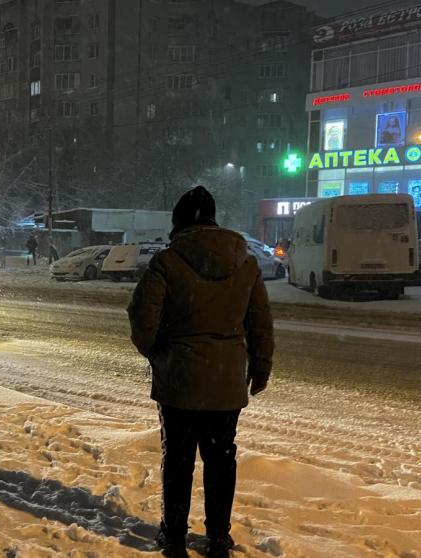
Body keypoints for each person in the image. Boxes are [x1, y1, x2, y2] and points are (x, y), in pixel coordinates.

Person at [127, 185, 274, 558]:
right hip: (226, 380)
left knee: (177, 459)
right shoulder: (246, 263)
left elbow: (142, 321)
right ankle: (218, 538)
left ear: (179, 223)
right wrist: (260, 368)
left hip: (179, 379)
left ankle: (174, 536)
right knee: (221, 459)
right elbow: (260, 323)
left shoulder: (167, 261)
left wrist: (160, 353)